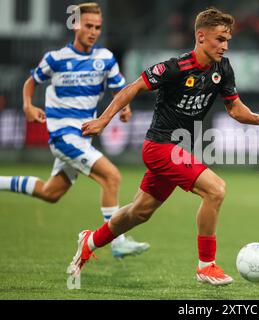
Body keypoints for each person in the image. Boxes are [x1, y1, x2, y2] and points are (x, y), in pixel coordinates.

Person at [67, 7, 259, 286]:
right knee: (215, 190)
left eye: (228, 40)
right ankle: (207, 266)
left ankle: (90, 241)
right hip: (160, 146)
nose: (225, 46)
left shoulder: (222, 68)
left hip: (180, 149)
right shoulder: (175, 67)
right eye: (219, 39)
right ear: (201, 37)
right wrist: (104, 120)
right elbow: (132, 88)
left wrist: (257, 119)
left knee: (139, 212)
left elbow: (234, 108)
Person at [0, 3, 149, 259]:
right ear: (75, 25)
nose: (93, 31)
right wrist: (27, 105)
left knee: (51, 193)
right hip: (62, 136)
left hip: (82, 138)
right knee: (111, 177)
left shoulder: (105, 59)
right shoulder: (55, 59)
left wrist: (124, 108)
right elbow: (30, 82)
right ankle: (117, 241)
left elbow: (120, 90)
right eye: (88, 26)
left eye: (97, 27)